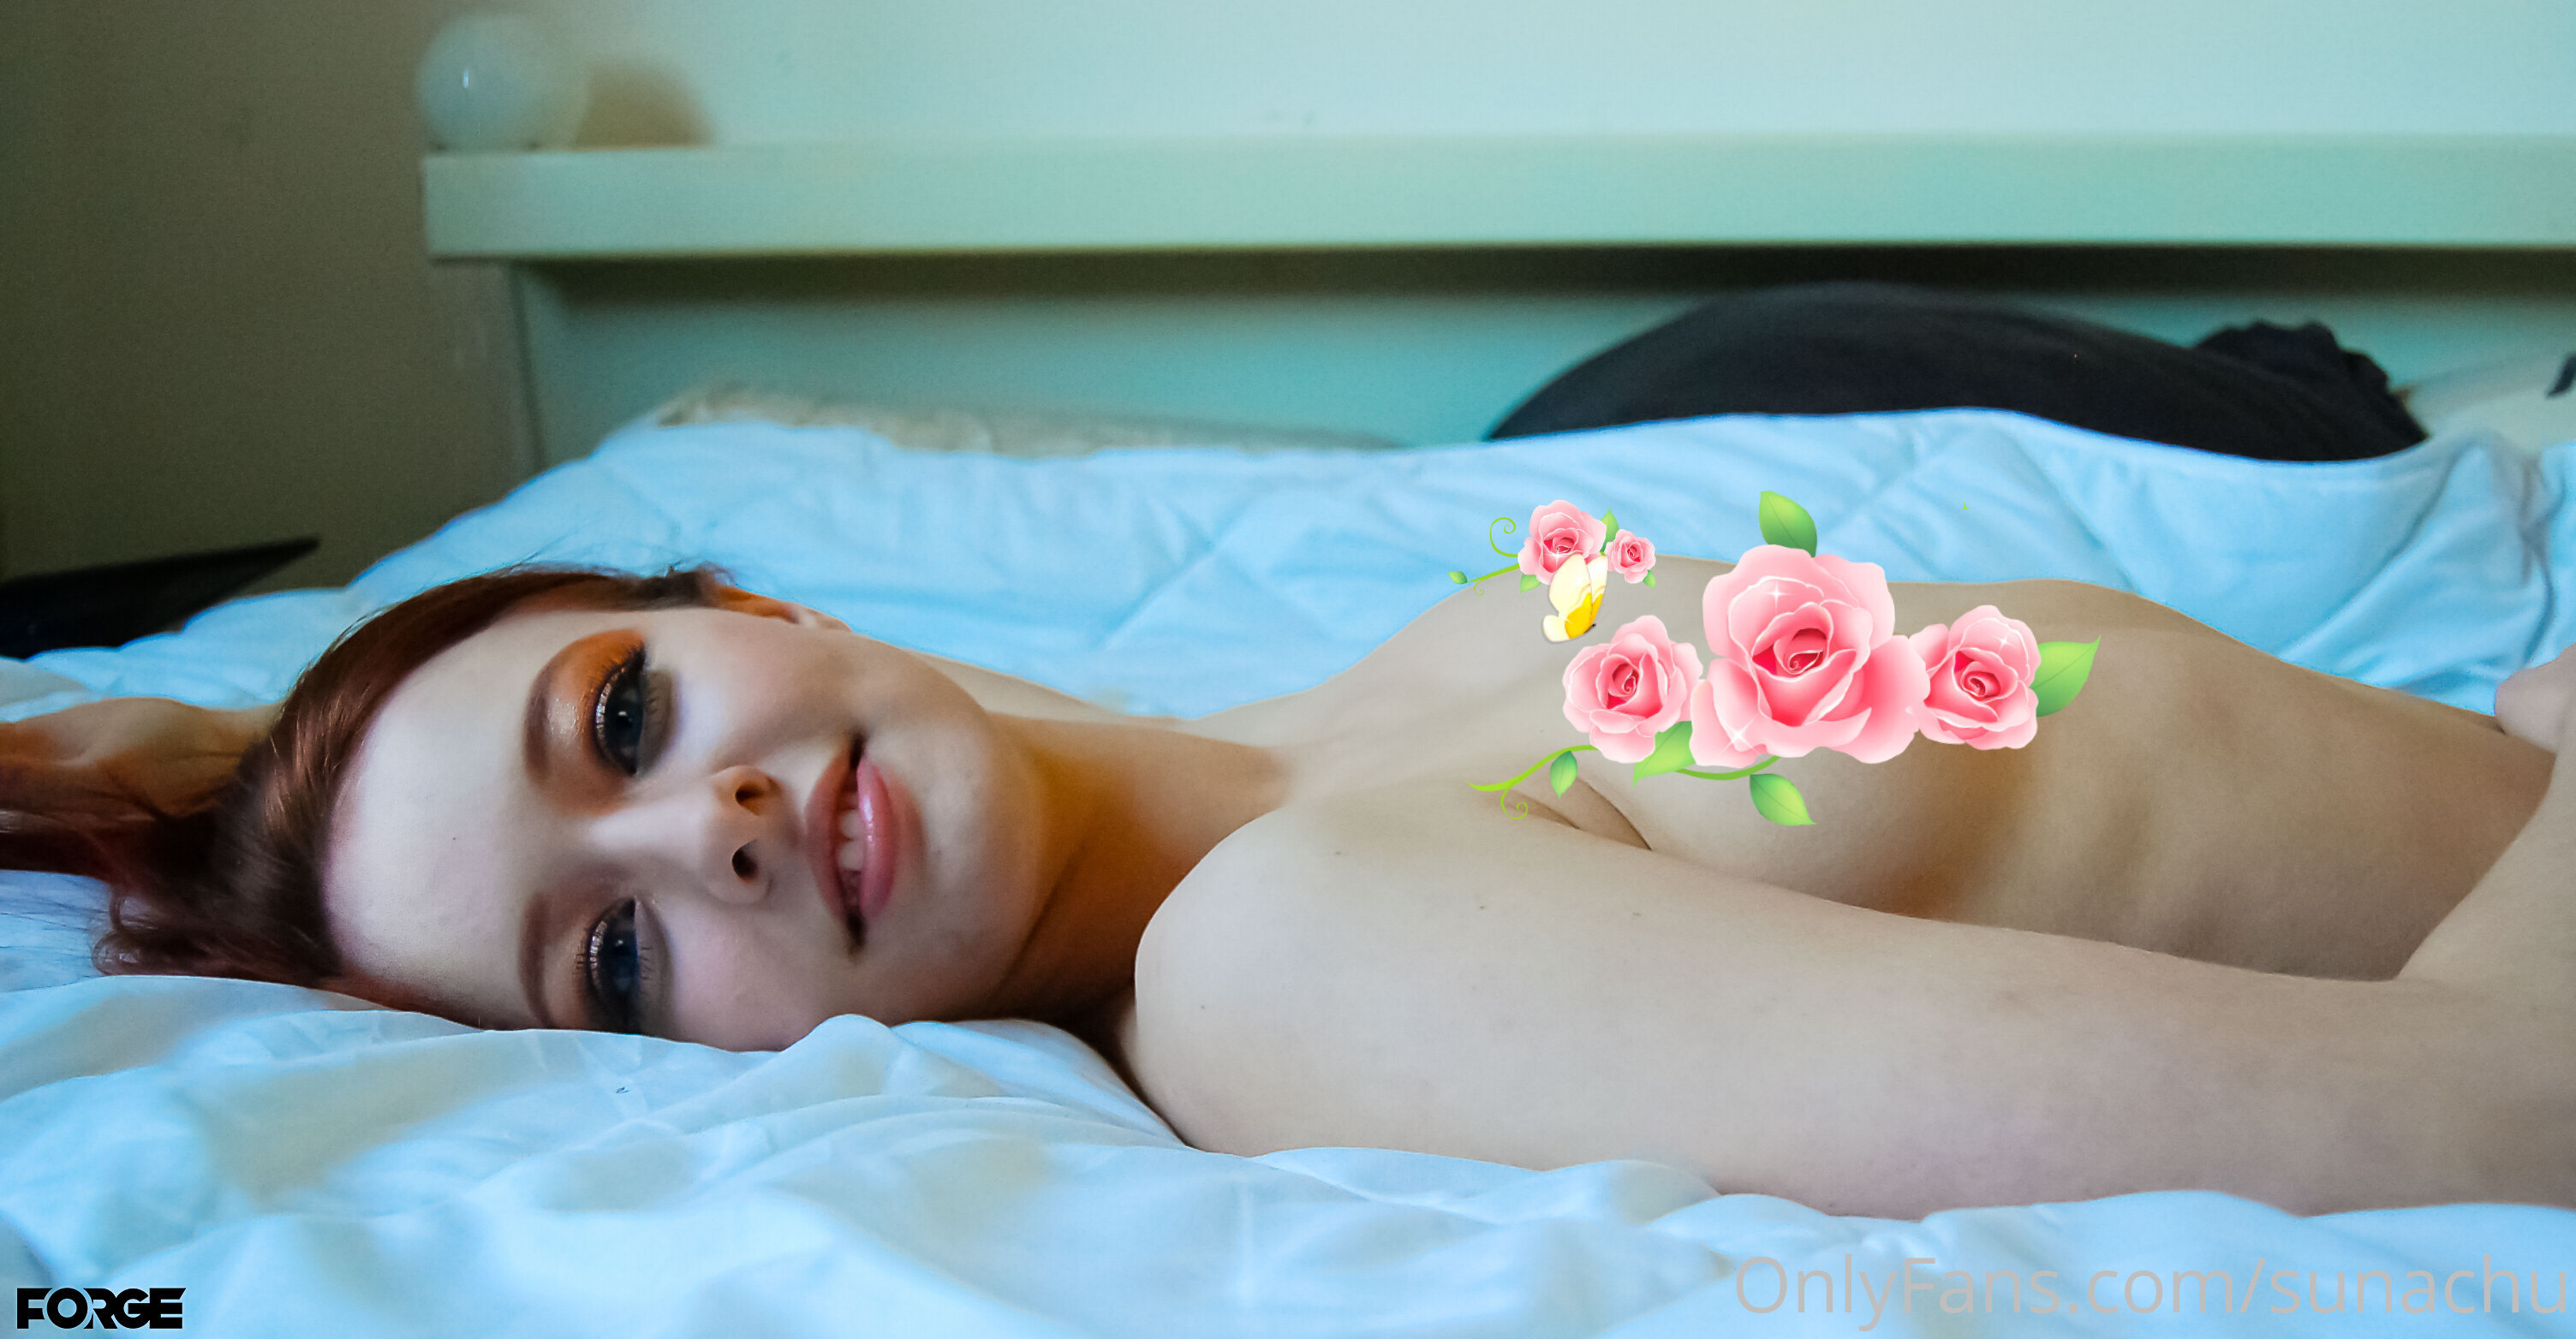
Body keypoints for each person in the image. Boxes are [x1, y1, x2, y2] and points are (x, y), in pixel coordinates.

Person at [5, 550, 2573, 1222]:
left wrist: (197, 774)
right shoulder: (1297, 954)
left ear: (747, 605)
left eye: (623, 721)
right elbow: (2497, 1112)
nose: (715, 829)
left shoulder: (1376, 689)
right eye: (614, 952)